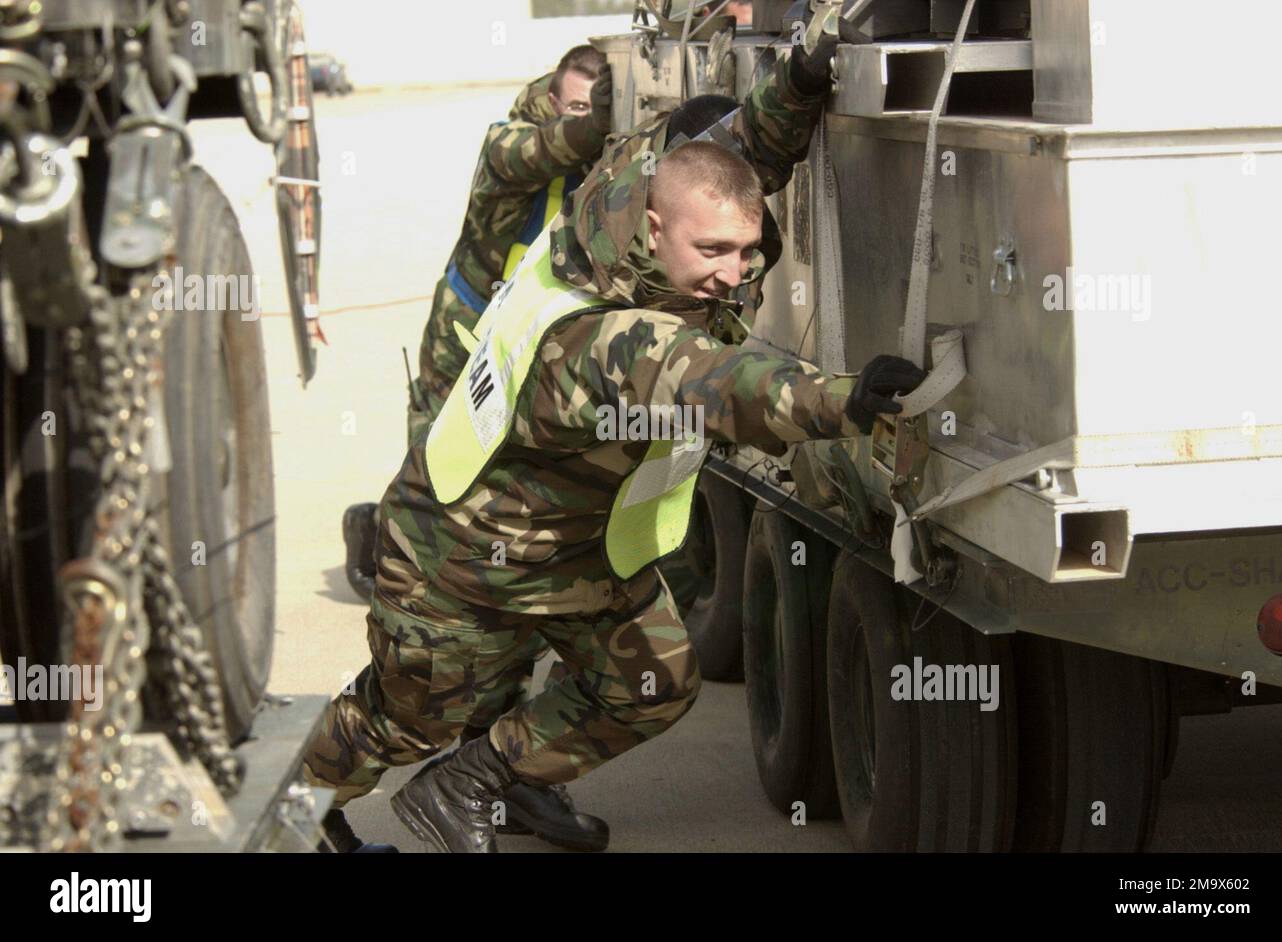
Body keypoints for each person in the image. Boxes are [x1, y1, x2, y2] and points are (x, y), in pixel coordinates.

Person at [304, 24, 920, 854]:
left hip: (578, 543)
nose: (735, 274)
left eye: (745, 251)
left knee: (653, 681)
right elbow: (723, 388)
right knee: (404, 719)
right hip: (462, 557)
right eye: (713, 252)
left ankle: (488, 782)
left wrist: (803, 75)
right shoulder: (603, 336)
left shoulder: (649, 203)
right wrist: (848, 400)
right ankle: (290, 821)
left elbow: (735, 153)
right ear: (658, 226)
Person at [326, 44, 613, 854]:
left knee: (525, 599)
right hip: (463, 385)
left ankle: (511, 781)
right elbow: (558, 145)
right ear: (550, 101)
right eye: (577, 103)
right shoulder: (512, 144)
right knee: (443, 626)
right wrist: (615, 117)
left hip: (536, 398)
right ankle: (312, 802)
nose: (585, 117)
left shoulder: (613, 160)